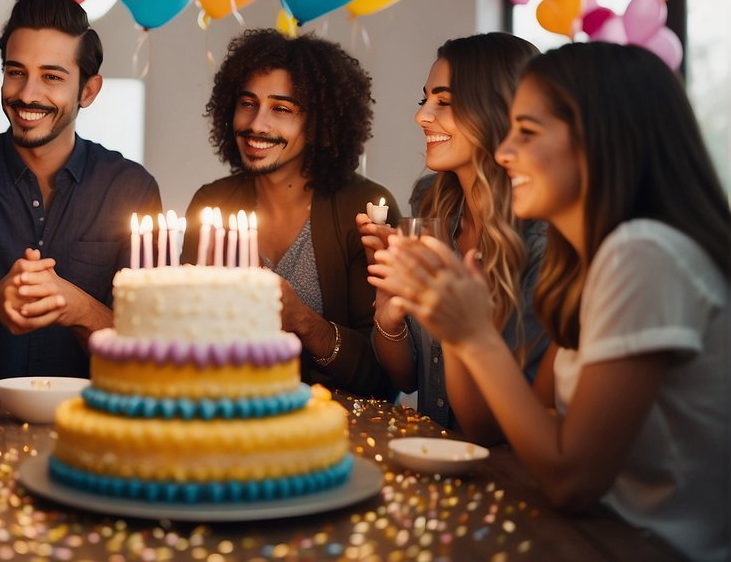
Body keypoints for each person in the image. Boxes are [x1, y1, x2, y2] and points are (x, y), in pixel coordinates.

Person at [375, 42, 729, 561]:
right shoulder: (591, 258)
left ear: (600, 141)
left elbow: (571, 480)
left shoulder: (644, 253)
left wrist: (472, 334)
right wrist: (449, 327)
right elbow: (528, 424)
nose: (503, 151)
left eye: (529, 132)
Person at [0, 0, 162, 390]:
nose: (27, 94)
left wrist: (78, 308)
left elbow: (153, 353)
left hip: (95, 421)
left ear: (88, 91)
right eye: (15, 72)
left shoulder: (131, 188)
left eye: (52, 77)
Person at [182, 28, 398, 397]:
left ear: (319, 124)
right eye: (247, 103)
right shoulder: (211, 203)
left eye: (281, 109)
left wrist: (303, 321)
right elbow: (185, 341)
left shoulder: (365, 209)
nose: (256, 124)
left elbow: (384, 374)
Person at [360, 33, 548, 441]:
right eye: (424, 100)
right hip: (436, 459)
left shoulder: (541, 235)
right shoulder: (429, 203)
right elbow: (410, 377)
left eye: (444, 102)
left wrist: (458, 323)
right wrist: (390, 311)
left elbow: (507, 424)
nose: (423, 116)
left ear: (497, 111)